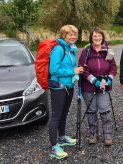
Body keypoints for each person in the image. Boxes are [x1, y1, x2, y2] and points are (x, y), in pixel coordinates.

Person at [48, 25, 84, 159]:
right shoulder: (58, 49)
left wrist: (77, 70)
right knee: (56, 116)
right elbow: (53, 70)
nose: (73, 37)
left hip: (69, 86)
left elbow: (69, 66)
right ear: (64, 35)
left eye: (75, 34)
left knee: (64, 113)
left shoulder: (71, 49)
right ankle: (53, 147)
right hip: (58, 87)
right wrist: (72, 71)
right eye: (70, 34)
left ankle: (62, 138)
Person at [78, 28, 117, 146]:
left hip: (104, 85)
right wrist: (93, 80)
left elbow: (114, 67)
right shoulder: (86, 51)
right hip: (89, 86)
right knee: (91, 110)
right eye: (94, 36)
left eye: (99, 36)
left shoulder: (108, 51)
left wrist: (109, 79)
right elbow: (81, 68)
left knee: (105, 110)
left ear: (102, 37)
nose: (97, 38)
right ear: (91, 38)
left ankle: (108, 134)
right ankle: (93, 133)